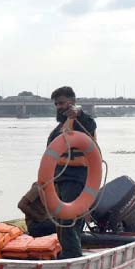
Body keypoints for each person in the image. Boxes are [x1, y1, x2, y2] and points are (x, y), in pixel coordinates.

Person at [47, 86, 97, 259]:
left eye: (62, 103)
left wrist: (79, 113)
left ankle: (73, 258)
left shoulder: (81, 122)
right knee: (63, 224)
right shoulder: (58, 130)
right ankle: (71, 255)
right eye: (56, 104)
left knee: (67, 223)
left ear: (72, 102)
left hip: (76, 179)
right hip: (60, 180)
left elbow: (91, 124)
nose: (59, 107)